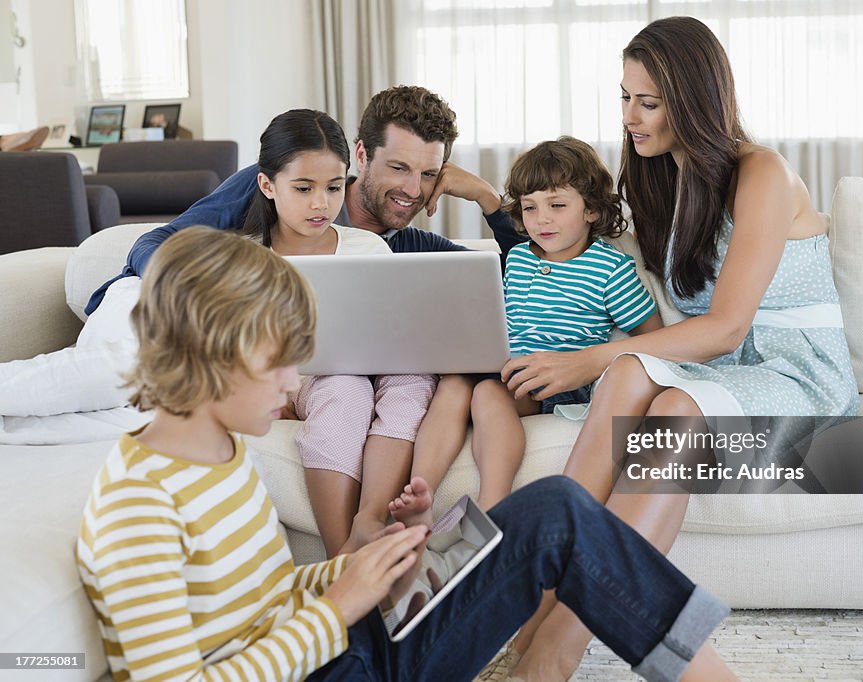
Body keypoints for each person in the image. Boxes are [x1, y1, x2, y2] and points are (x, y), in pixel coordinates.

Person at [76, 226, 736, 682]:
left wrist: (370, 568)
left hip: (343, 648)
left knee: (558, 510)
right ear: (211, 354)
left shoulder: (219, 452)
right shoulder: (138, 505)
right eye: (277, 363)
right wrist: (340, 606)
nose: (292, 381)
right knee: (556, 521)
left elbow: (267, 601)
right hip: (336, 663)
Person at [486, 16, 860, 681]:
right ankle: (532, 611)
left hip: (796, 376)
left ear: (692, 99)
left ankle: (555, 647)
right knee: (631, 373)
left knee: (671, 404)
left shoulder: (763, 173)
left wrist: (584, 360)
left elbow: (725, 328)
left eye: (648, 102)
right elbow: (560, 234)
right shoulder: (660, 180)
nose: (630, 116)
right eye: (625, 96)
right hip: (714, 373)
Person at [0, 86, 525, 552]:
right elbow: (157, 245)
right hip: (161, 309)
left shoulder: (403, 247)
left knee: (140, 411)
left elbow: (526, 274)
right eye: (400, 169)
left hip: (279, 372)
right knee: (127, 375)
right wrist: (200, 305)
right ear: (361, 157)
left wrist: (489, 200)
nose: (414, 188)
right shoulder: (262, 203)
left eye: (429, 174)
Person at [412, 137, 661, 509]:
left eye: (557, 205)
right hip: (506, 366)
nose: (541, 219)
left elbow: (652, 339)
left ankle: (494, 503)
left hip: (557, 379)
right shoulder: (517, 258)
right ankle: (421, 493)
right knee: (452, 385)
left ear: (591, 210)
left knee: (487, 393)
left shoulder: (610, 268)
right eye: (529, 208)